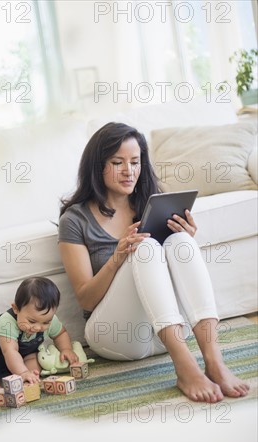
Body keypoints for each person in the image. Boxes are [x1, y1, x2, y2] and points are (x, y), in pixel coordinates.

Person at [58, 122, 249, 403]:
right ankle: (186, 368)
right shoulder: (75, 220)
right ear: (97, 166)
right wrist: (117, 258)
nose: (129, 171)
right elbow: (86, 300)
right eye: (117, 162)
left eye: (135, 162)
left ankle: (214, 362)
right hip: (116, 336)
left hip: (165, 333)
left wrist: (186, 238)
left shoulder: (152, 201)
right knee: (145, 247)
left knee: (181, 242)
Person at [0, 277, 79, 391]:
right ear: (16, 309)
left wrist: (66, 349)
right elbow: (10, 351)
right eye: (31, 321)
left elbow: (60, 334)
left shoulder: (50, 320)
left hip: (24, 356)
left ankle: (29, 381)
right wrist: (22, 372)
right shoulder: (7, 322)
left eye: (46, 322)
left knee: (34, 361)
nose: (37, 327)